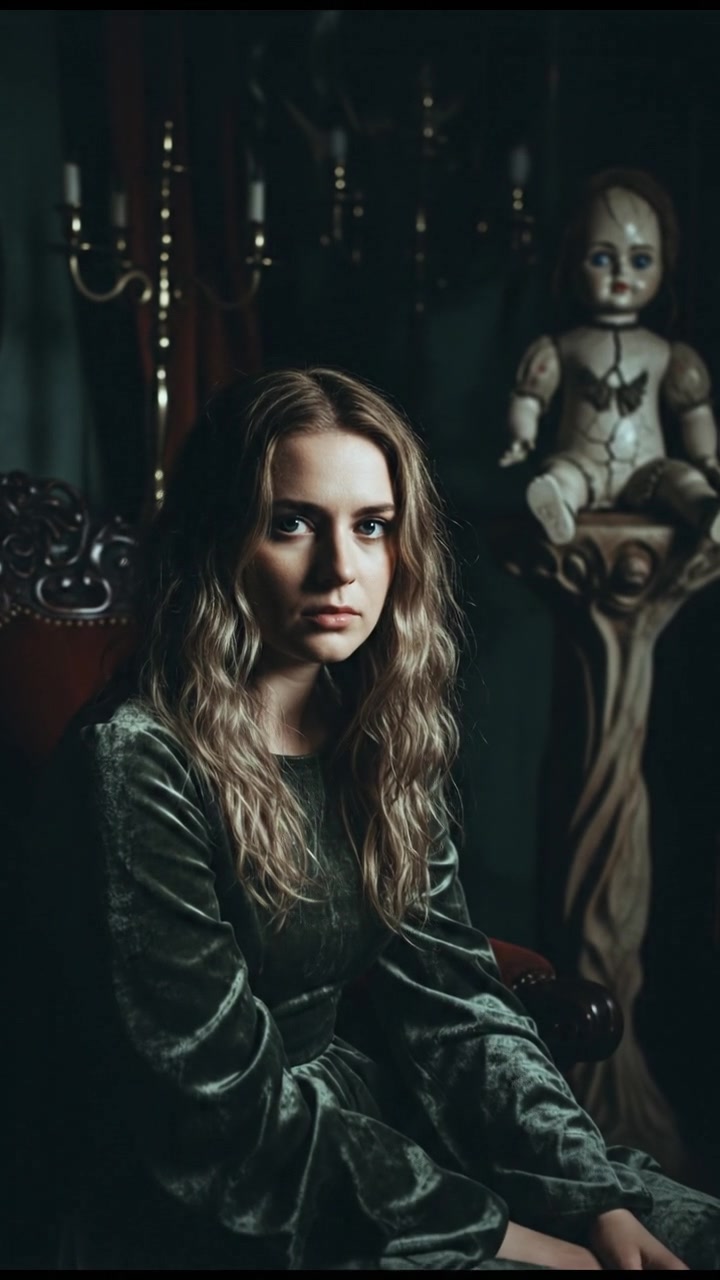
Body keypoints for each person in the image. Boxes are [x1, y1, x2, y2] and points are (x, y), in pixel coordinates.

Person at [36, 366, 720, 1269]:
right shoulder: (135, 757)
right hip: (220, 1181)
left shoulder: (376, 732)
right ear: (221, 536)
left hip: (372, 1122)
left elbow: (455, 1003)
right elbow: (214, 1113)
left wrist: (591, 1202)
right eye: (291, 523)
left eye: (371, 527)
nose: (340, 569)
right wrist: (523, 1244)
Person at [500, 168, 720, 546]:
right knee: (562, 475)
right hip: (582, 461)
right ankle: (560, 507)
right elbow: (529, 398)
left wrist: (706, 458)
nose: (621, 273)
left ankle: (705, 508)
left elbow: (694, 411)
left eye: (640, 261)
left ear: (663, 266)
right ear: (573, 263)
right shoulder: (562, 347)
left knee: (682, 480)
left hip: (648, 467)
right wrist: (523, 436)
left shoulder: (664, 353)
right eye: (602, 259)